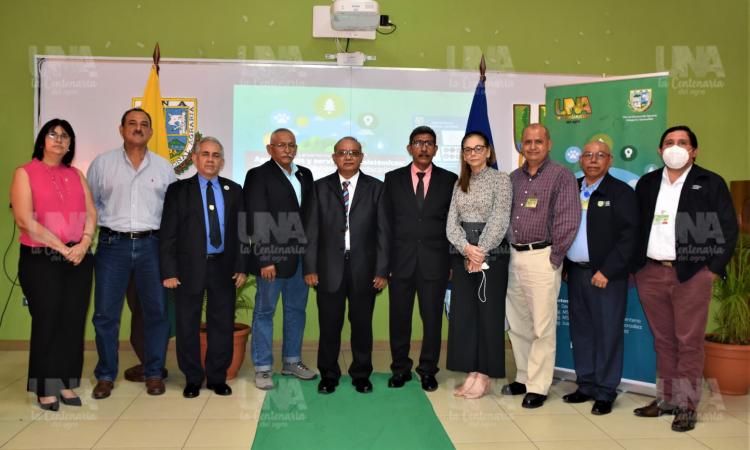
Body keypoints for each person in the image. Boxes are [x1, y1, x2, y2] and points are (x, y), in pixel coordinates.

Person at [632, 125, 737, 432]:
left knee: (688, 342)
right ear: (659, 150)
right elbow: (636, 226)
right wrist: (637, 266)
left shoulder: (709, 183)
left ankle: (687, 405)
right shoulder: (648, 183)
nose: (675, 147)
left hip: (692, 274)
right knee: (664, 342)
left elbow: (727, 230)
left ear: (694, 151)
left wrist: (712, 270)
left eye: (682, 143)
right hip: (651, 272)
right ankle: (666, 399)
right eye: (669, 142)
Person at [87, 107, 176, 398]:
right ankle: (105, 375)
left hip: (151, 246)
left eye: (144, 124)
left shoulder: (164, 168)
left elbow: (171, 213)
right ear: (121, 128)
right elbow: (91, 206)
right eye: (132, 123)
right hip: (113, 247)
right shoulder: (102, 164)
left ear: (150, 132)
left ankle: (153, 372)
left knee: (157, 312)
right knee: (105, 315)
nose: (138, 128)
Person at [10, 119, 96, 410]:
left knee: (73, 320)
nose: (59, 140)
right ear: (42, 140)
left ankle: (67, 383)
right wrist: (62, 247)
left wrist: (84, 243)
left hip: (78, 258)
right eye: (52, 134)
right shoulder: (25, 172)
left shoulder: (76, 174)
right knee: (48, 320)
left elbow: (91, 213)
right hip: (41, 259)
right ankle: (45, 386)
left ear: (70, 144)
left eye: (65, 136)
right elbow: (24, 220)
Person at [160, 136, 248, 398]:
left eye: (216, 155)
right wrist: (169, 271)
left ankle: (217, 377)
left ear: (222, 161)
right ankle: (193, 377)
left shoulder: (235, 190)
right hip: (188, 269)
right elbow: (168, 234)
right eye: (205, 154)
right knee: (187, 323)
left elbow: (243, 233)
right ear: (195, 158)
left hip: (224, 268)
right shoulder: (178, 191)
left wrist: (242, 266)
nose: (211, 159)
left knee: (221, 324)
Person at [503, 123, 580, 408]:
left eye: (538, 141)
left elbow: (568, 220)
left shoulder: (561, 176)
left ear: (549, 144)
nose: (532, 146)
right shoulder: (513, 178)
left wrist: (554, 257)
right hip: (514, 257)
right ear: (521, 145)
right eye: (527, 141)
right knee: (518, 322)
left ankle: (538, 385)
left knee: (542, 326)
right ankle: (523, 376)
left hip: (542, 257)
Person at [304, 137, 389, 394]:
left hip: (365, 269)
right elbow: (310, 232)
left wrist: (382, 270)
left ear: (362, 157)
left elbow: (384, 232)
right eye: (343, 152)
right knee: (329, 325)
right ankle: (328, 374)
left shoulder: (377, 188)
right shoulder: (319, 188)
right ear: (334, 157)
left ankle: (361, 374)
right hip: (328, 268)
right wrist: (309, 267)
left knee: (362, 325)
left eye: (353, 152)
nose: (348, 157)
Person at [562, 140, 638, 415]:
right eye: (588, 155)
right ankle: (586, 385)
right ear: (580, 159)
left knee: (607, 333)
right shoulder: (571, 187)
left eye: (600, 156)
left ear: (610, 161)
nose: (593, 160)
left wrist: (608, 270)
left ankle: (605, 391)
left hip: (606, 276)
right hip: (575, 273)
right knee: (581, 332)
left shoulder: (620, 192)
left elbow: (629, 237)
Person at [384, 126, 457, 392]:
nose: (424, 147)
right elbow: (386, 224)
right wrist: (385, 264)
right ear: (409, 148)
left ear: (436, 149)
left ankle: (428, 370)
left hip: (435, 263)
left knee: (432, 321)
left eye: (429, 143)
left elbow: (454, 224)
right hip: (400, 263)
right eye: (418, 143)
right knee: (399, 319)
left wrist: (450, 262)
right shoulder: (392, 179)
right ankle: (400, 368)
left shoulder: (450, 180)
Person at [243, 128, 317, 390]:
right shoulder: (258, 175)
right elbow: (256, 216)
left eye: (291, 145)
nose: (287, 150)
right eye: (281, 145)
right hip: (272, 259)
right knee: (265, 312)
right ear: (270, 149)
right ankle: (263, 367)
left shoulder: (304, 174)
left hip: (300, 259)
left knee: (296, 311)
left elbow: (309, 218)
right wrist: (265, 258)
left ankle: (291, 361)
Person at [445, 131, 512, 399]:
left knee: (488, 314)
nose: (472, 153)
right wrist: (466, 249)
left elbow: (500, 218)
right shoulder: (460, 182)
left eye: (478, 148)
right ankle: (471, 371)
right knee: (465, 316)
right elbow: (451, 222)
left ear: (488, 152)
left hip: (492, 255)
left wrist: (480, 252)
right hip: (463, 254)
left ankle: (484, 375)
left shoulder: (501, 180)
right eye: (467, 149)